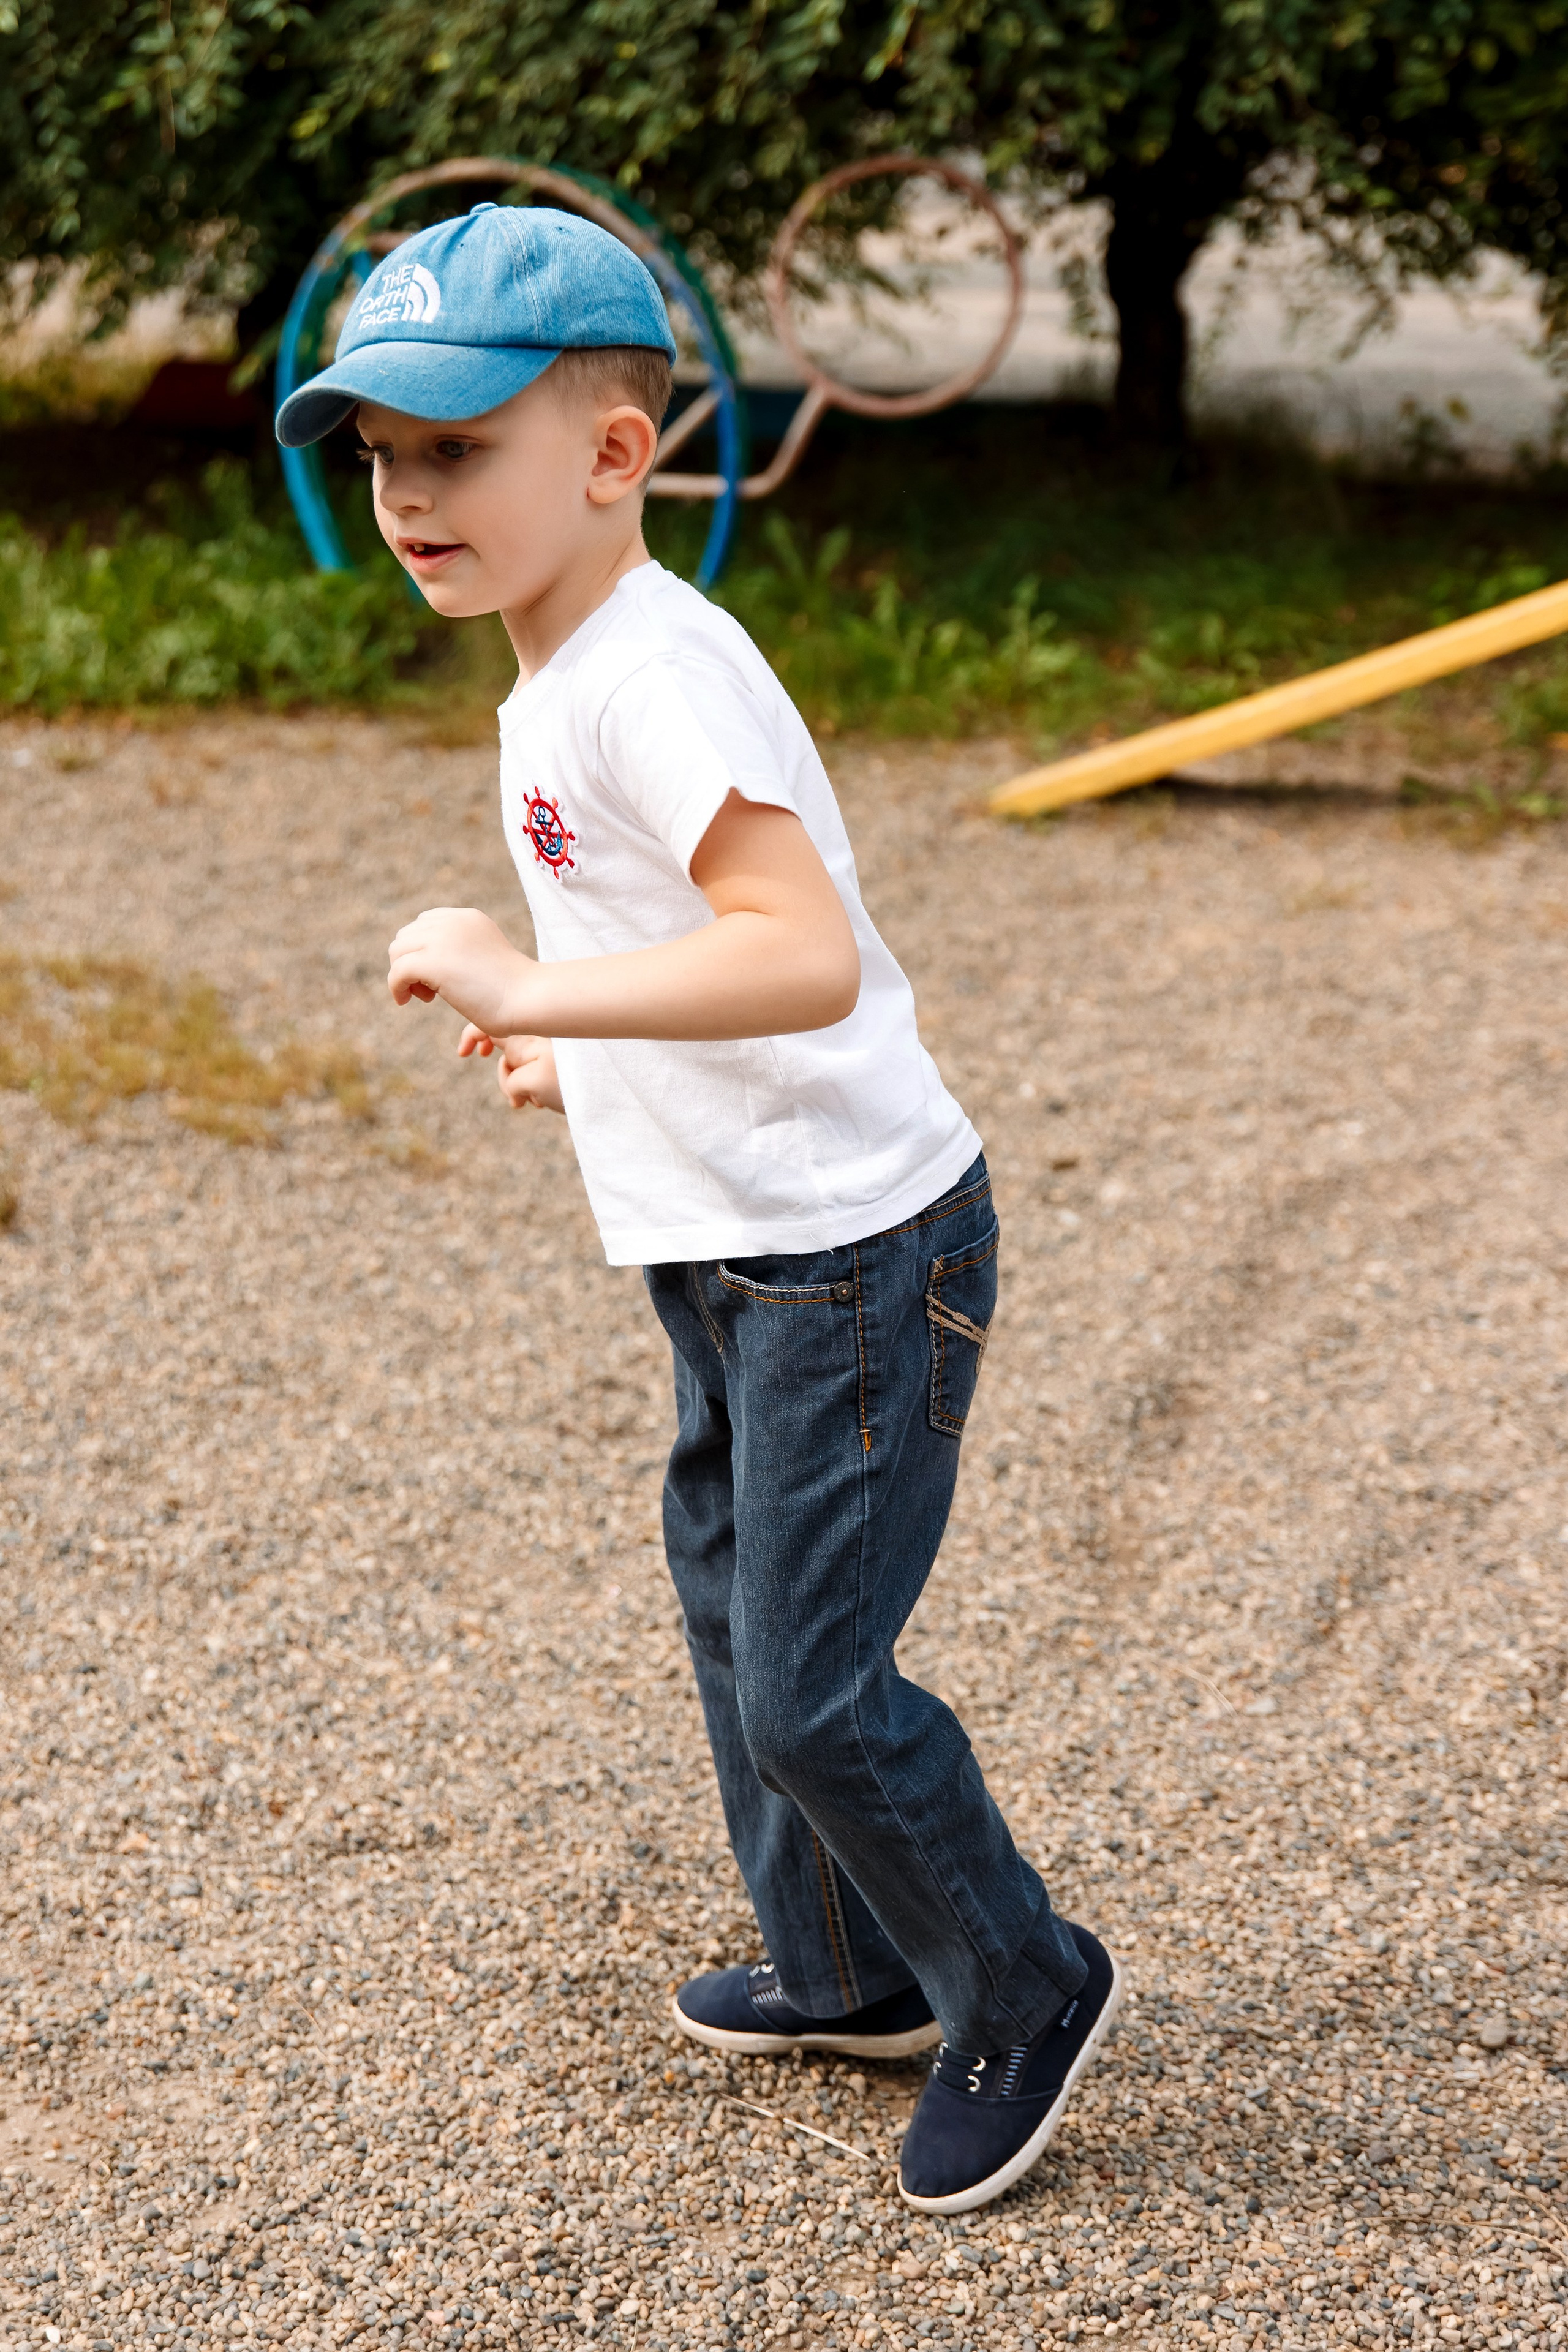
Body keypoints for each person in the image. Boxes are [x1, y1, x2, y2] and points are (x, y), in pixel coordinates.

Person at [276, 198, 1123, 2215]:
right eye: (380, 454)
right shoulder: (567, 664)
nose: (406, 493)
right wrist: (596, 1052)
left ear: (612, 454)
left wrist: (532, 987)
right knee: (740, 1624)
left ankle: (1023, 1975)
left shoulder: (652, 676)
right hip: (732, 1250)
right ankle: (846, 1977)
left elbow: (801, 952)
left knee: (815, 1685)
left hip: (849, 1259)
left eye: (453, 448)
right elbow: (700, 958)